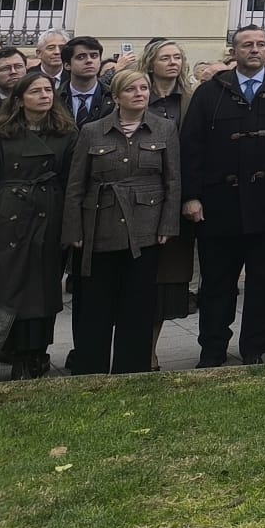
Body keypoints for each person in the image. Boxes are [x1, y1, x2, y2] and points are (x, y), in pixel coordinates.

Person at [178, 25, 265, 367]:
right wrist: (191, 196)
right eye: (247, 45)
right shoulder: (211, 92)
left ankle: (254, 344)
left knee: (262, 280)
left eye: (261, 44)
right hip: (218, 203)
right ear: (234, 51)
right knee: (216, 283)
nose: (254, 49)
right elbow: (191, 147)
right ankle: (213, 347)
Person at [62, 68, 178, 374]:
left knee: (138, 305)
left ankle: (132, 370)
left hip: (145, 228)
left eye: (143, 88)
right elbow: (76, 184)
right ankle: (90, 369)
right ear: (116, 97)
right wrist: (73, 228)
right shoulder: (92, 131)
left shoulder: (164, 129)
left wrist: (168, 225)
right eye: (131, 89)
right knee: (96, 306)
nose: (139, 93)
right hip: (99, 225)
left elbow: (172, 181)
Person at [0, 70, 75, 379]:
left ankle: (32, 358)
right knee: (1, 290)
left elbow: (72, 182)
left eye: (48, 90)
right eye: (36, 91)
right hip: (4, 219)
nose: (44, 95)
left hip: (46, 218)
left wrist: (69, 228)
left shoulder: (66, 131)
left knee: (40, 291)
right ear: (19, 99)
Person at [137, 40, 199, 364]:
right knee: (136, 278)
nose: (172, 62)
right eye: (165, 57)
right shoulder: (136, 93)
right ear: (151, 62)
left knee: (164, 280)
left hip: (176, 199)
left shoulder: (191, 99)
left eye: (177, 57)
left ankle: (149, 352)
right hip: (138, 198)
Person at [58, 35, 109, 128]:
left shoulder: (112, 98)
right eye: (81, 57)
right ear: (67, 65)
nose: (89, 61)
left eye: (94, 56)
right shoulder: (55, 98)